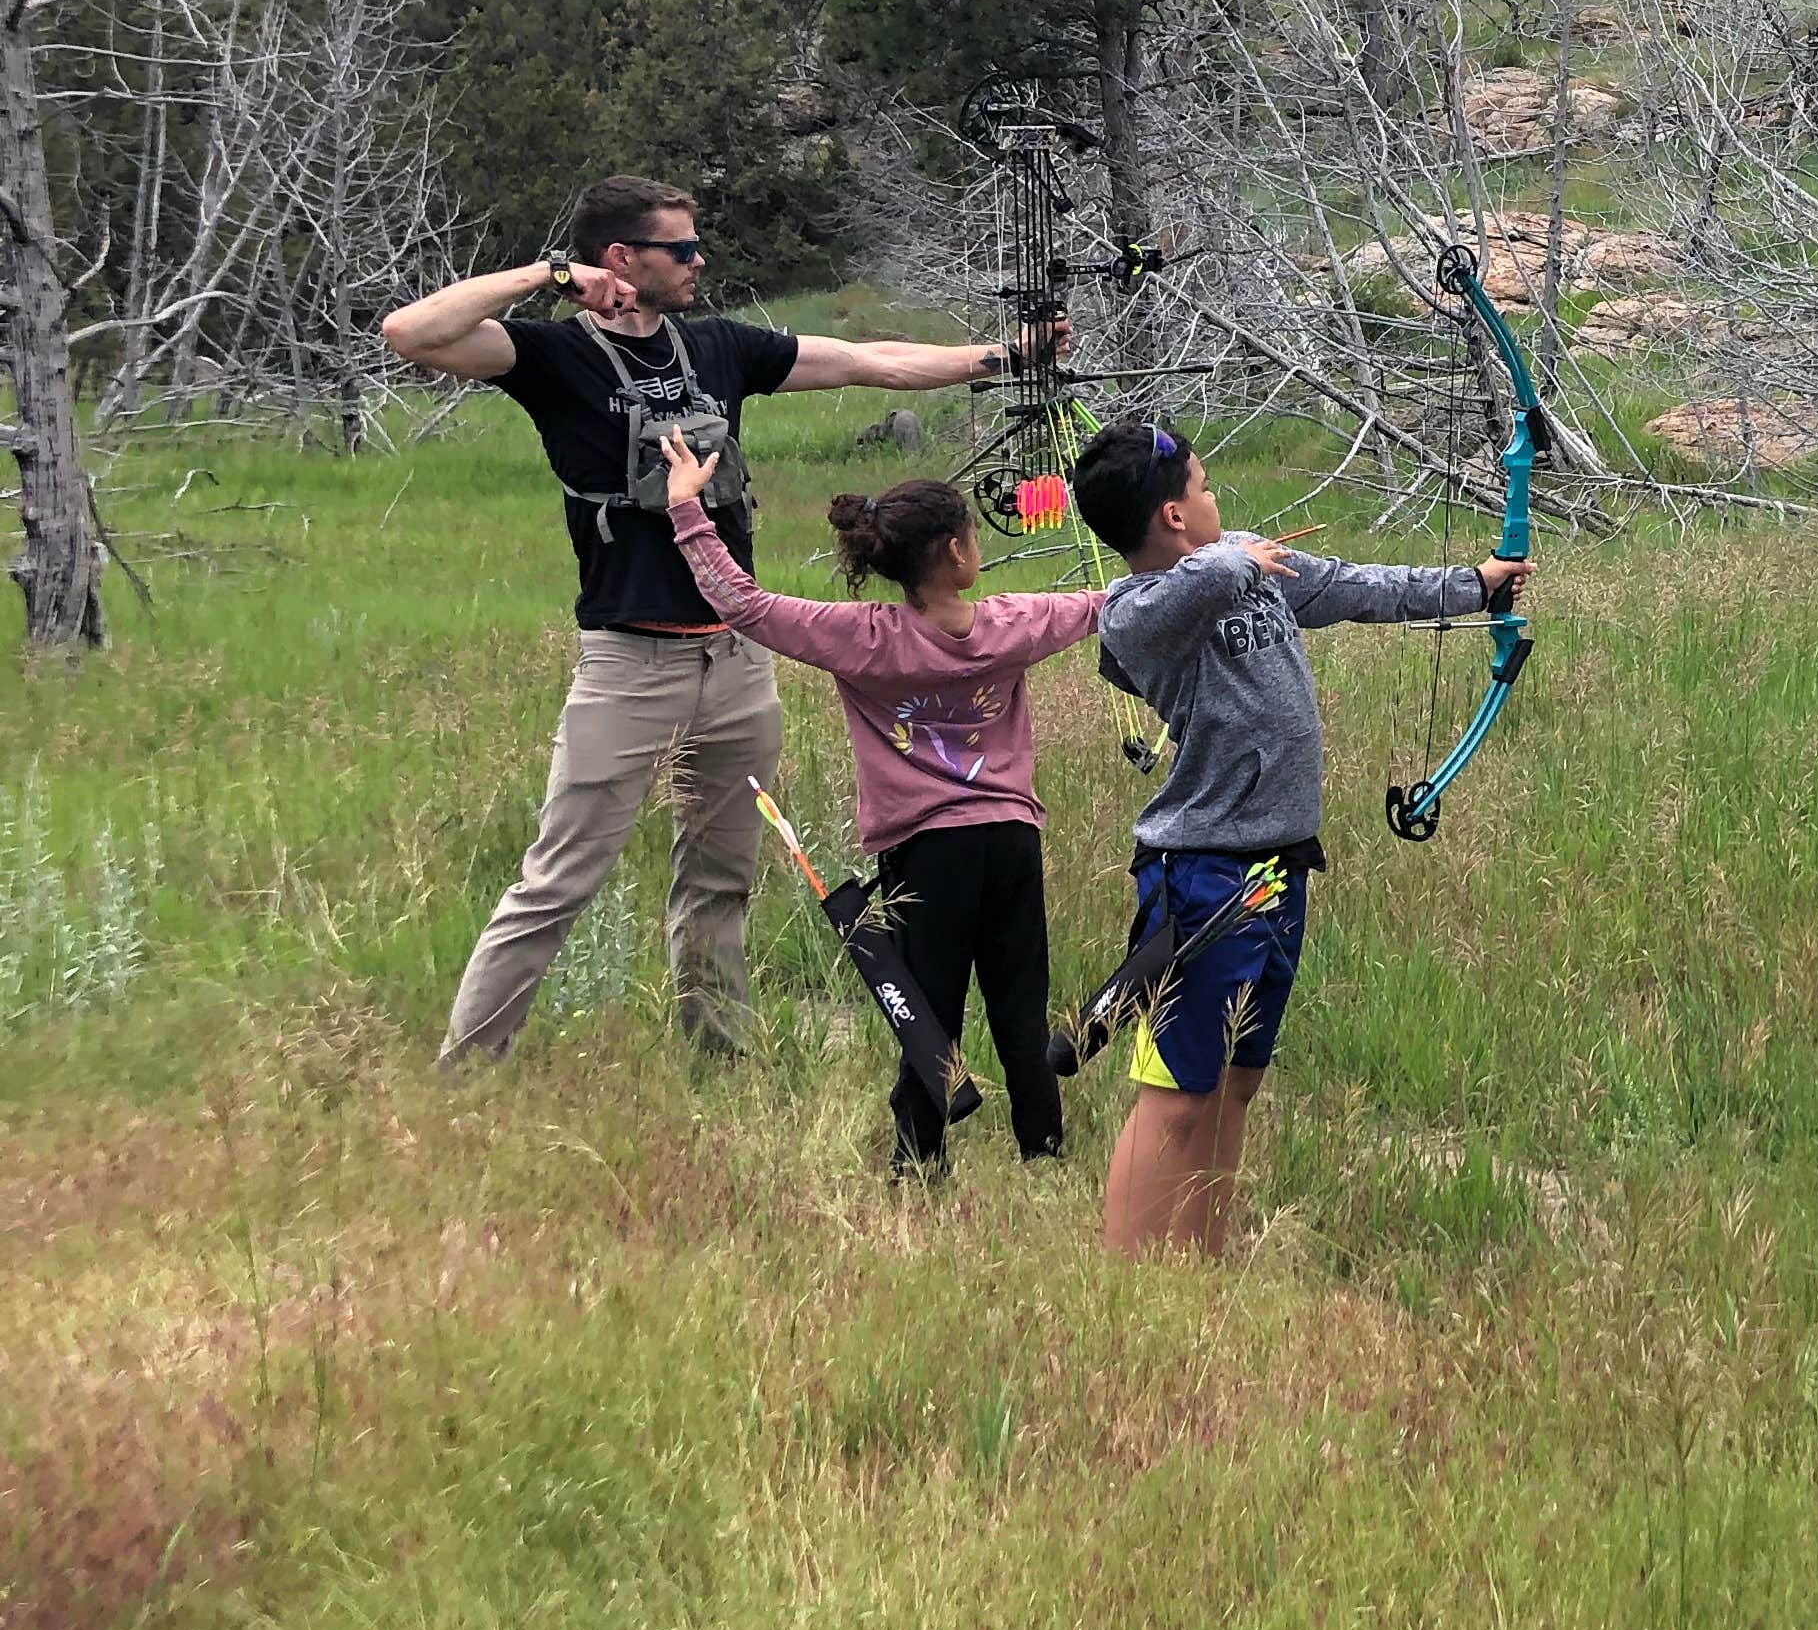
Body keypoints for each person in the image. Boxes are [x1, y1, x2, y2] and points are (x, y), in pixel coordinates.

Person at [382, 176, 1037, 1067]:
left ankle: (720, 1058)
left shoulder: (718, 348)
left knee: (722, 880)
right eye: (680, 250)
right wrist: (545, 275)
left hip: (735, 663)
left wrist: (997, 358)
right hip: (627, 662)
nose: (700, 263)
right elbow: (411, 333)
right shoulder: (549, 358)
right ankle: (463, 1072)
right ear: (622, 259)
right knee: (559, 882)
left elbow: (859, 360)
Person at [1073, 418, 1526, 1256]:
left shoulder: (1246, 562)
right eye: (1203, 489)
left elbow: (1353, 587)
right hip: (1201, 874)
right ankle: (1124, 1284)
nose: (1218, 503)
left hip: (1279, 866)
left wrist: (1473, 585)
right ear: (1173, 517)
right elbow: (1190, 588)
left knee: (1237, 1083)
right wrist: (1236, 556)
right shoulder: (1137, 611)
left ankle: (1204, 1256)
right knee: (1174, 1094)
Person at [654, 431, 1104, 1178]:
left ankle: (918, 1162)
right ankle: (1044, 1158)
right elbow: (1106, 603)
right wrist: (1217, 562)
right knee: (1020, 1009)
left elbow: (743, 603)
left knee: (929, 1016)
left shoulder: (862, 635)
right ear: (960, 552)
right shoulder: (1011, 623)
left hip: (928, 855)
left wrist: (686, 513)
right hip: (1010, 841)